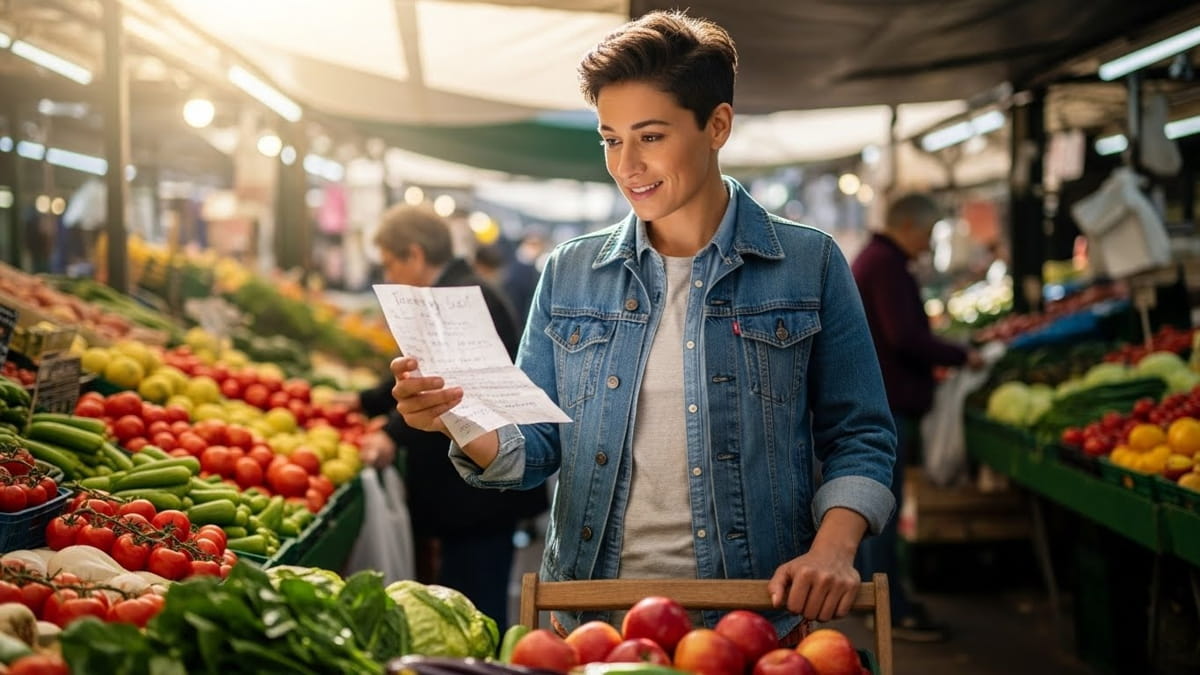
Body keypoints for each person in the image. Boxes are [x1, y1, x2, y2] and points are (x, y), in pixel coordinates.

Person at [387, 10, 896, 641]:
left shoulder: (809, 264)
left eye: (650, 136)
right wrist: (455, 417)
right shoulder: (570, 272)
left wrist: (834, 548)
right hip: (595, 619)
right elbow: (537, 447)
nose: (626, 164)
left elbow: (862, 433)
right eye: (609, 138)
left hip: (757, 615)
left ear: (717, 125)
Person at [352, 203, 548, 631]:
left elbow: (448, 392)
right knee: (466, 605)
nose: (389, 278)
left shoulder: (460, 298)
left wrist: (389, 431)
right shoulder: (457, 291)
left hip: (479, 495)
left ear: (415, 255)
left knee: (474, 614)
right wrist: (365, 404)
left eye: (390, 264)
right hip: (470, 492)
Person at [851, 193, 984, 642]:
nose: (926, 246)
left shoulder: (876, 259)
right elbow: (904, 336)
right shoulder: (885, 265)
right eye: (926, 235)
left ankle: (878, 602)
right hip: (884, 404)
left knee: (875, 512)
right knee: (880, 514)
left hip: (876, 399)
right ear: (907, 225)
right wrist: (961, 354)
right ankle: (890, 610)